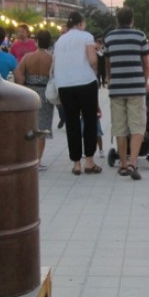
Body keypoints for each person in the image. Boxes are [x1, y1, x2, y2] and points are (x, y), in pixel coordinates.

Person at [104, 7, 149, 180]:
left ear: (117, 20)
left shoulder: (109, 37)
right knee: (137, 126)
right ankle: (133, 163)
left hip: (116, 89)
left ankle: (123, 165)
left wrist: (110, 80)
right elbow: (146, 64)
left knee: (120, 127)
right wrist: (144, 82)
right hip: (136, 88)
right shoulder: (140, 36)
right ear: (132, 19)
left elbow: (107, 64)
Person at [53, 11, 100, 175]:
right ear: (81, 23)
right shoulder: (86, 36)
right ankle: (89, 161)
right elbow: (93, 60)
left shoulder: (60, 41)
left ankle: (76, 163)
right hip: (85, 82)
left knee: (71, 123)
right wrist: (94, 67)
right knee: (89, 121)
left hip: (64, 85)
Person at [14, 29, 54, 170]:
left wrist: (24, 83)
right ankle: (38, 160)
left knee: (29, 125)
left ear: (36, 40)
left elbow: (18, 73)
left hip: (30, 91)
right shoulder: (51, 58)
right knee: (42, 128)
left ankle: (28, 157)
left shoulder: (28, 57)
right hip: (45, 93)